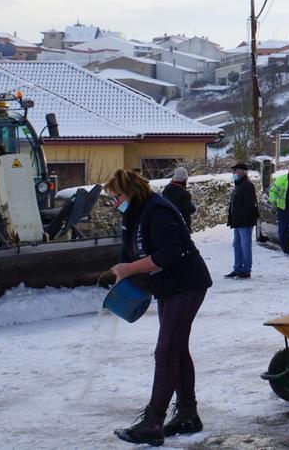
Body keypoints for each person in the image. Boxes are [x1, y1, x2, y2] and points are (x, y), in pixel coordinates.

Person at [106, 168, 212, 446]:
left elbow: (169, 254)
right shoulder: (133, 214)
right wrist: (123, 275)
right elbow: (128, 254)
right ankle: (187, 415)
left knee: (166, 350)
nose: (115, 203)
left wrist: (131, 269)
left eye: (117, 196)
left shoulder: (158, 211)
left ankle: (153, 422)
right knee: (176, 348)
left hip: (187, 284)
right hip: (167, 288)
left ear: (131, 192)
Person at [226, 162, 259, 279]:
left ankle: (246, 270)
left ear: (242, 172)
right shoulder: (239, 185)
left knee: (245, 246)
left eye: (236, 171)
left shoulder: (248, 185)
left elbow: (249, 205)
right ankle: (237, 269)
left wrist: (240, 217)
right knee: (237, 245)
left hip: (245, 221)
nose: (234, 173)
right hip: (238, 221)